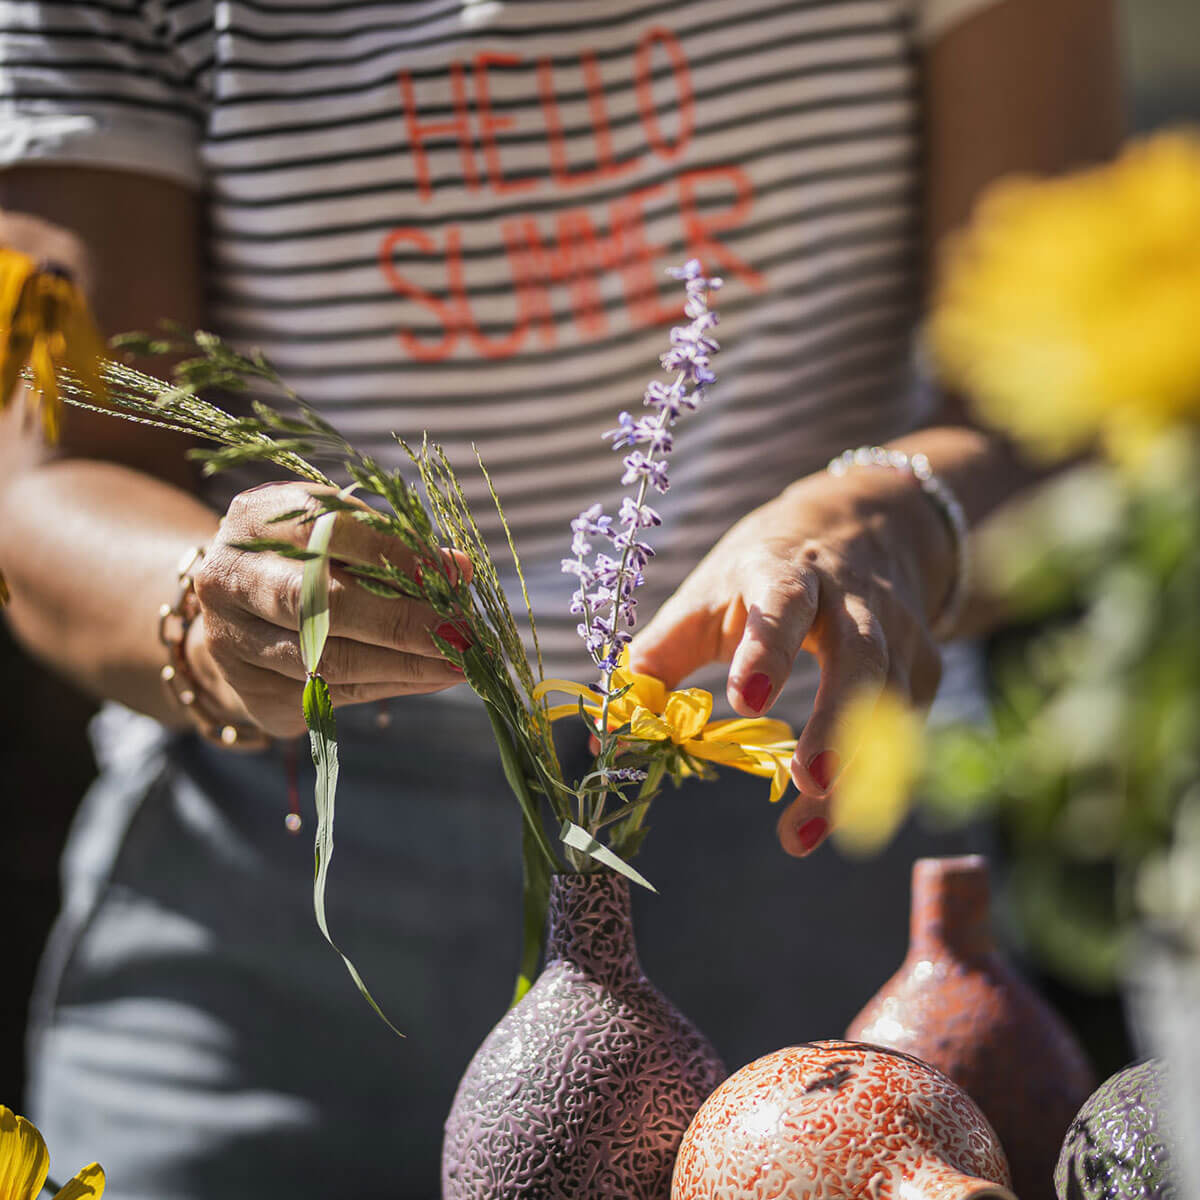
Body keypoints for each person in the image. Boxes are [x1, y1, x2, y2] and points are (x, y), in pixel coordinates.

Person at [0, 1, 1121, 1195]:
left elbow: (1071, 397)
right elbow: (50, 472)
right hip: (274, 914)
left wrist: (895, 514)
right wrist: (220, 610)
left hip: (799, 868)